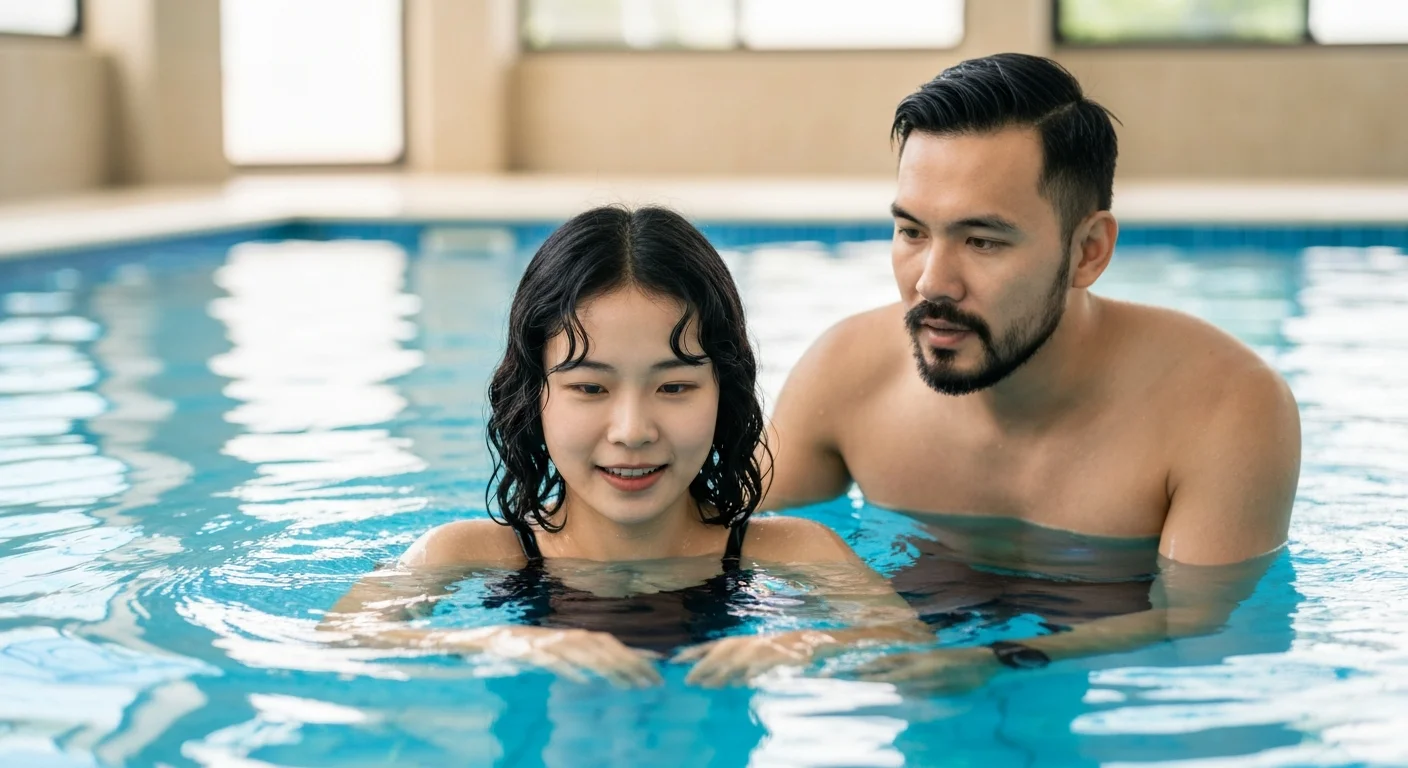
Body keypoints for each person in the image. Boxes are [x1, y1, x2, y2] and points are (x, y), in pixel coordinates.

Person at [763, 53, 1302, 689]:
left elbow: (1201, 631)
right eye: (913, 232)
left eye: (983, 241)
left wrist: (983, 664)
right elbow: (729, 554)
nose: (932, 281)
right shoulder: (845, 374)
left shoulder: (1223, 407)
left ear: (1088, 251)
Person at [321, 206, 928, 688]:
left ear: (726, 392)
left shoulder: (795, 551)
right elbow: (343, 636)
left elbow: (920, 654)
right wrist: (501, 639)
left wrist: (809, 642)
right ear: (534, 395)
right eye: (590, 386)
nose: (632, 429)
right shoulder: (470, 553)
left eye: (674, 385)